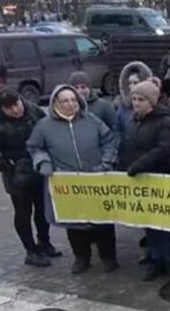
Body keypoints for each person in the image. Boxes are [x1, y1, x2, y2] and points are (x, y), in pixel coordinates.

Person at [27, 85, 118, 275]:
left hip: (95, 180)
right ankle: (82, 258)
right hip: (66, 185)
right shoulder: (44, 126)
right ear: (55, 103)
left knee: (103, 221)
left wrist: (106, 162)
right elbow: (34, 147)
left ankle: (108, 257)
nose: (70, 104)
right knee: (75, 224)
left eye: (73, 100)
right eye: (65, 101)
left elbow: (109, 140)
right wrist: (43, 162)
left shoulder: (92, 120)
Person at [119, 81, 170, 281]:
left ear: (152, 101)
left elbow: (164, 149)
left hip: (162, 178)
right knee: (150, 225)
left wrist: (138, 165)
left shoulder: (168, 122)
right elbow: (128, 145)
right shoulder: (133, 122)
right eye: (134, 99)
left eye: (141, 99)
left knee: (167, 225)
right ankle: (157, 261)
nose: (136, 103)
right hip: (142, 181)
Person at [0, 88, 60, 267]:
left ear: (21, 100)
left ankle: (44, 242)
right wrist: (9, 167)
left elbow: (48, 128)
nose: (16, 110)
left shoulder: (32, 110)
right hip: (16, 177)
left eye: (16, 104)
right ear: (2, 109)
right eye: (9, 108)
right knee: (23, 213)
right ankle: (30, 251)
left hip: (39, 168)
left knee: (43, 209)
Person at [115, 61, 155, 136]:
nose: (132, 86)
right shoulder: (123, 107)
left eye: (135, 83)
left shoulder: (154, 105)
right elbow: (117, 131)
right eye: (129, 83)